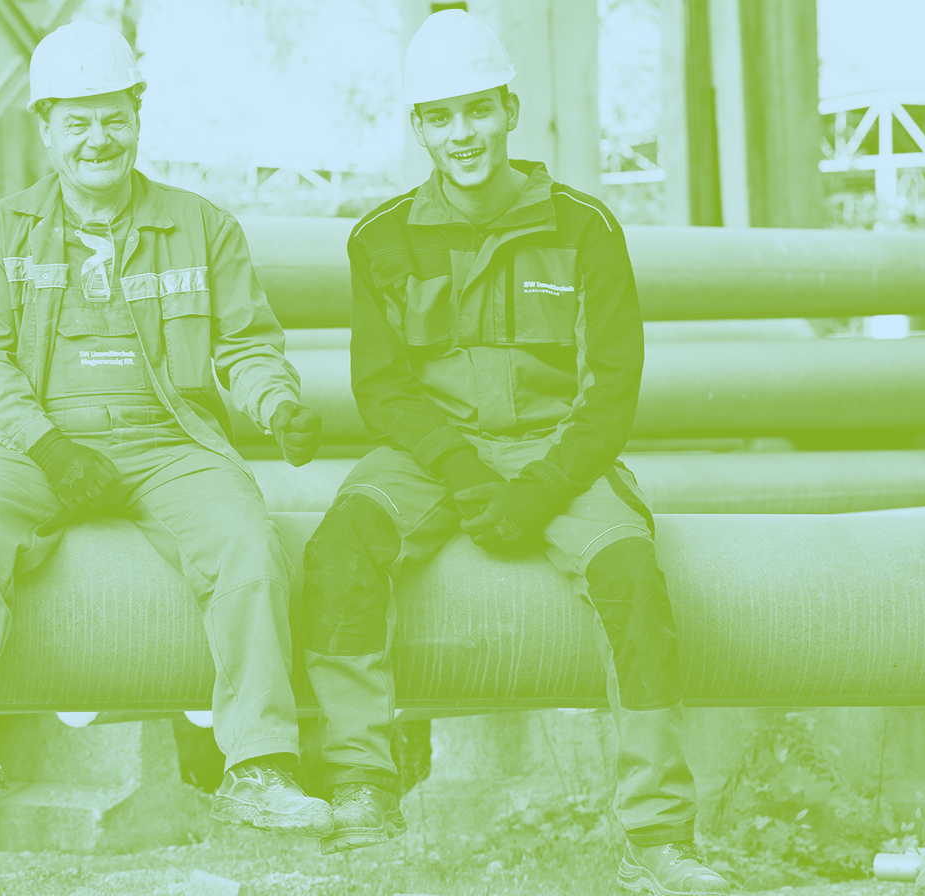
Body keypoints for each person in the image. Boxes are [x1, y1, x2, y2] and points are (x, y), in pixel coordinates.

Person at [297, 11, 732, 892]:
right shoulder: (380, 238)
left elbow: (610, 390)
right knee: (339, 550)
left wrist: (539, 489)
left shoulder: (586, 229)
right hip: (431, 455)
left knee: (631, 577)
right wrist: (460, 470)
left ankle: (657, 836)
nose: (462, 133)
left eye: (477, 110)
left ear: (510, 111)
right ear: (419, 127)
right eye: (441, 116)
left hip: (558, 449)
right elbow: (382, 388)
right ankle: (363, 785)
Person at [0, 21, 330, 837]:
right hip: (40, 441)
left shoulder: (202, 226)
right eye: (78, 122)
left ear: (137, 116)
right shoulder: (4, 231)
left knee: (248, 543)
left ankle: (260, 767)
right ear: (46, 127)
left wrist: (275, 405)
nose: (99, 139)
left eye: (114, 118)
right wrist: (51, 448)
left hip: (171, 443)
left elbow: (245, 344)